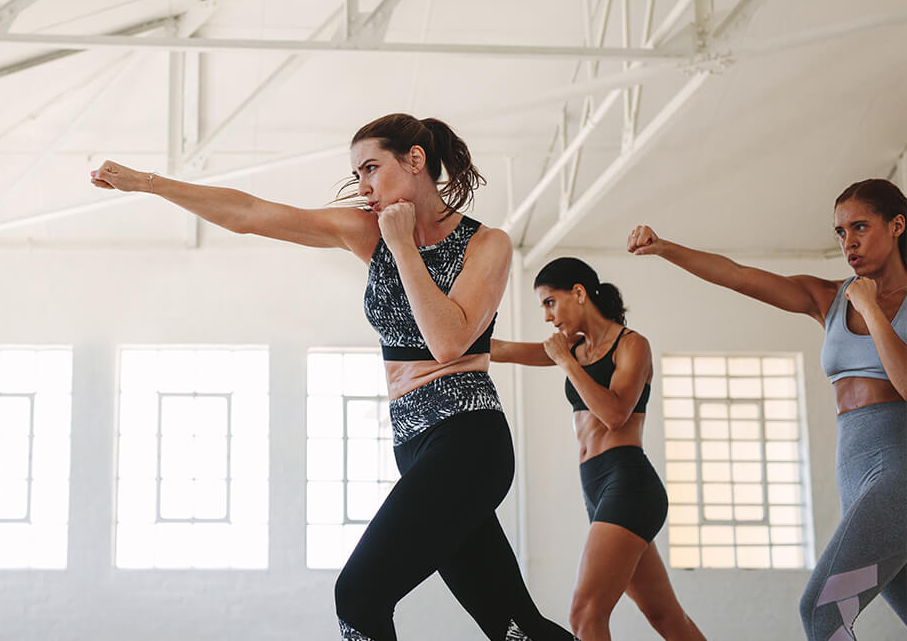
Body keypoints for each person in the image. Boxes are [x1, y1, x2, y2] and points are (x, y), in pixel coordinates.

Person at [91, 113, 575, 641]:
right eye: (358, 174)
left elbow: (449, 342)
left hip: (469, 441)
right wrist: (149, 184)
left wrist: (403, 246)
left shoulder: (487, 244)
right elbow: (251, 213)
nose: (363, 187)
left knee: (359, 596)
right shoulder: (366, 231)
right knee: (516, 628)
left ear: (415, 160)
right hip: (415, 446)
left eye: (371, 168)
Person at [627, 178, 907, 640]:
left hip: (897, 476)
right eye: (840, 232)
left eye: (860, 227)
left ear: (897, 225)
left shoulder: (868, 299)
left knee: (823, 611)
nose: (848, 243)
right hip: (856, 482)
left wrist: (873, 309)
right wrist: (665, 248)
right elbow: (738, 275)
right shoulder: (828, 298)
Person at [491, 258, 705, 641]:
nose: (546, 316)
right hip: (597, 489)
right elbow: (502, 348)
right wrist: (438, 341)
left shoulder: (632, 344)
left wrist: (566, 363)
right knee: (666, 617)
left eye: (549, 302)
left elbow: (615, 414)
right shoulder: (573, 348)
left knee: (585, 614)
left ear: (578, 293)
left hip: (629, 485)